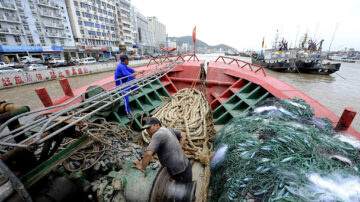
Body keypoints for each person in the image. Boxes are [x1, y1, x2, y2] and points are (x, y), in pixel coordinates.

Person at [134, 117, 198, 183]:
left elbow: (148, 154)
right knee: (188, 187)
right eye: (146, 129)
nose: (147, 131)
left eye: (149, 128)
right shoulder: (166, 130)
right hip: (186, 165)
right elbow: (183, 134)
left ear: (157, 125)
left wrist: (142, 166)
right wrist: (180, 147)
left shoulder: (157, 135)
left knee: (185, 191)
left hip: (179, 172)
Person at [114, 55, 138, 119]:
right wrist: (133, 74)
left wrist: (135, 71)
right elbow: (126, 74)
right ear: (125, 60)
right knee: (126, 98)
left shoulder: (123, 65)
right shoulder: (121, 66)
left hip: (124, 82)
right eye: (128, 60)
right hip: (121, 85)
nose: (128, 61)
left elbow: (130, 70)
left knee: (133, 78)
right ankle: (128, 113)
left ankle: (134, 91)